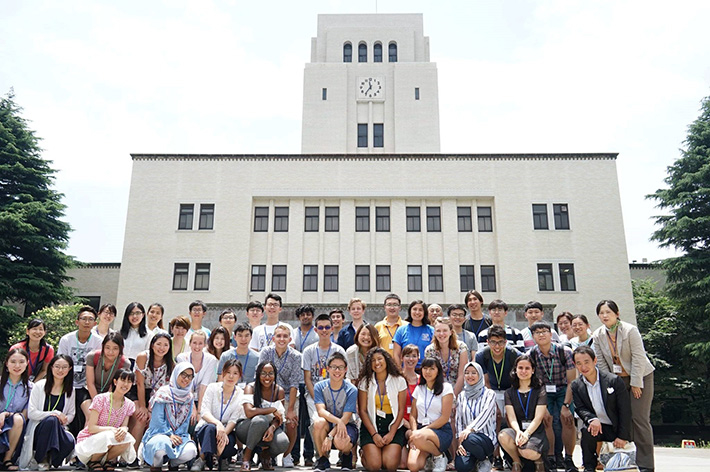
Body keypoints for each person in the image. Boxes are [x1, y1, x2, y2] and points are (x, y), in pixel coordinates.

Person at [592, 300, 655, 472]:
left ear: (617, 314)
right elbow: (602, 364)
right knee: (620, 418)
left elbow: (638, 357)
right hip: (617, 380)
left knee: (639, 419)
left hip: (641, 376)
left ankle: (646, 465)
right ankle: (626, 461)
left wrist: (636, 383)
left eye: (608, 312)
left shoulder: (630, 330)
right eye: (601, 313)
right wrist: (611, 384)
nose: (605, 316)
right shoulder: (597, 335)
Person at [571, 346, 631, 472]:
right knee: (586, 432)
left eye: (586, 362)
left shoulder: (613, 380)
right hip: (597, 427)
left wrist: (622, 436)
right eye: (579, 363)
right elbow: (580, 408)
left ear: (595, 361)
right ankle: (589, 467)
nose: (583, 367)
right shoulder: (576, 385)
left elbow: (624, 410)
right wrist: (592, 419)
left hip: (615, 427)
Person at [528, 322, 577, 472]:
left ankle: (568, 458)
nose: (541, 335)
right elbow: (535, 383)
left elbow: (572, 382)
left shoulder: (565, 352)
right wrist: (542, 407)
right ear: (533, 336)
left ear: (551, 334)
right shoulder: (532, 354)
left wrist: (566, 405)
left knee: (567, 420)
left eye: (544, 331)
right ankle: (551, 459)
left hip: (564, 389)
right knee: (547, 420)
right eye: (537, 332)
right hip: (544, 391)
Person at [474, 324, 521, 470]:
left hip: (510, 391)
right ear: (487, 342)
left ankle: (510, 456)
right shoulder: (482, 356)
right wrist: (493, 404)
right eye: (493, 342)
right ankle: (496, 456)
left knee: (510, 421)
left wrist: (509, 404)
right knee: (494, 422)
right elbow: (485, 382)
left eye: (500, 342)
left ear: (506, 342)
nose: (497, 346)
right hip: (491, 392)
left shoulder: (514, 354)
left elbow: (517, 381)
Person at [19, 354, 75, 470]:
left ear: (69, 369)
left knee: (69, 440)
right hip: (39, 429)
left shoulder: (70, 389)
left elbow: (71, 414)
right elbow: (32, 413)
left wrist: (63, 419)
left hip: (59, 429)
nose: (60, 370)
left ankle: (50, 457)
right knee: (51, 420)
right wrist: (54, 414)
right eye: (57, 366)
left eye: (64, 367)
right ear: (51, 367)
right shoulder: (39, 386)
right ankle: (43, 458)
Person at [74, 369, 138, 471]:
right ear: (115, 381)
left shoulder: (129, 404)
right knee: (109, 435)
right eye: (123, 380)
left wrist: (124, 429)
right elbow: (91, 428)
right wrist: (111, 429)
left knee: (127, 439)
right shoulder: (101, 399)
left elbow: (123, 426)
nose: (126, 384)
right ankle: (93, 461)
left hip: (110, 439)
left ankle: (104, 461)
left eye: (129, 381)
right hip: (90, 440)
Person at [258, 324, 303, 467]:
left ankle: (287, 455)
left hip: (290, 394)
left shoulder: (296, 356)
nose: (282, 339)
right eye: (278, 336)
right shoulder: (266, 352)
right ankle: (266, 456)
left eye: (285, 336)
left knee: (291, 423)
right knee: (267, 423)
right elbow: (260, 376)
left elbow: (295, 383)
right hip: (269, 393)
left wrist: (290, 409)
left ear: (290, 339)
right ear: (273, 338)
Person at [357, 348, 407, 472]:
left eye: (380, 359)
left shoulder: (399, 380)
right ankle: (364, 454)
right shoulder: (365, 382)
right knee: (374, 466)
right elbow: (362, 411)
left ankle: (383, 453)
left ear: (386, 360)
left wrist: (392, 433)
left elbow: (401, 410)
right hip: (371, 424)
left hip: (393, 425)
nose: (377, 363)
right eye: (373, 360)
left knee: (390, 465)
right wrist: (374, 434)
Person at [142, 362, 198, 472]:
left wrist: (177, 436)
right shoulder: (163, 393)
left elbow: (185, 423)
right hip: (159, 433)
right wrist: (169, 435)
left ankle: (173, 463)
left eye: (190, 376)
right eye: (183, 374)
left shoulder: (189, 397)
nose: (186, 379)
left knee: (191, 451)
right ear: (176, 373)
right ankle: (156, 465)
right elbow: (157, 420)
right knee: (161, 445)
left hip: (178, 435)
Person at [57, 306, 103, 437]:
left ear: (95, 323)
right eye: (83, 319)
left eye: (90, 319)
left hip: (86, 386)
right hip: (66, 384)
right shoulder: (66, 339)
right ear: (77, 322)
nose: (87, 322)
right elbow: (60, 362)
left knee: (88, 415)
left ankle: (82, 447)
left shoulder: (98, 341)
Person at [130, 332, 174, 465]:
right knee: (141, 418)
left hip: (157, 396)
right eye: (159, 344)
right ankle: (131, 457)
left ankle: (150, 456)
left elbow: (164, 391)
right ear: (152, 345)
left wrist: (151, 409)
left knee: (155, 421)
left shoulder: (171, 364)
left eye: (166, 345)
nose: (162, 348)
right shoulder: (143, 357)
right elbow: (139, 384)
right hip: (138, 391)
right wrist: (143, 407)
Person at [498, 356, 548, 472]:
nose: (523, 371)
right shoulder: (509, 393)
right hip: (518, 431)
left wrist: (527, 433)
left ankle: (539, 460)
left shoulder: (540, 390)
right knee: (503, 436)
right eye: (520, 368)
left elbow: (538, 417)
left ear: (533, 370)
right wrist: (518, 432)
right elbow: (512, 417)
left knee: (526, 451)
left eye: (527, 368)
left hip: (535, 431)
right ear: (515, 370)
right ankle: (517, 462)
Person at [236, 361, 289, 472]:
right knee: (261, 420)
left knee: (283, 442)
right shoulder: (250, 387)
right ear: (258, 374)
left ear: (275, 375)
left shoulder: (279, 391)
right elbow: (249, 412)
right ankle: (247, 458)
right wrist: (271, 409)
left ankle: (265, 455)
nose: (267, 377)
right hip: (246, 428)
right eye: (263, 373)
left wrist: (272, 428)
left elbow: (278, 417)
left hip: (267, 429)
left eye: (271, 373)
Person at [192, 359, 244, 471]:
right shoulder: (212, 387)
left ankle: (220, 458)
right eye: (228, 372)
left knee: (228, 443)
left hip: (226, 431)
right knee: (210, 428)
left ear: (240, 376)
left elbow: (234, 420)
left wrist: (222, 434)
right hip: (206, 428)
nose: (231, 376)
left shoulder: (240, 393)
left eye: (235, 373)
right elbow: (204, 412)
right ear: (223, 373)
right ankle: (202, 459)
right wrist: (218, 424)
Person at [310, 352, 358, 472]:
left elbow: (346, 419)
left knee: (341, 441)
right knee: (318, 422)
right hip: (330, 422)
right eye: (334, 367)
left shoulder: (351, 389)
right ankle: (323, 459)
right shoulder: (319, 386)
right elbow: (321, 411)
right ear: (328, 369)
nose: (337, 371)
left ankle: (346, 455)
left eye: (341, 367)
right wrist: (338, 421)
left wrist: (330, 436)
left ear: (346, 369)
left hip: (347, 425)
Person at [408, 358, 454, 472]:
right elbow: (413, 415)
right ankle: (430, 456)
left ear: (438, 371)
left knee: (419, 437)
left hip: (440, 430)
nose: (428, 372)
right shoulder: (419, 389)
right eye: (425, 368)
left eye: (432, 369)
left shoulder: (446, 388)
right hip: (420, 431)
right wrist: (414, 431)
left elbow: (445, 417)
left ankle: (439, 456)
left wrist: (422, 431)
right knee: (413, 466)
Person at [454, 362, 497, 472]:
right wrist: (460, 443)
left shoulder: (489, 394)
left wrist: (470, 429)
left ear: (480, 375)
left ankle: (485, 458)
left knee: (470, 438)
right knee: (461, 467)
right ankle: (476, 460)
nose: (470, 376)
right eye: (467, 373)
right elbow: (459, 420)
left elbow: (485, 414)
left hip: (485, 438)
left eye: (474, 373)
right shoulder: (462, 396)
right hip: (466, 440)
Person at [176, 330, 218, 431]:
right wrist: (192, 408)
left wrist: (199, 411)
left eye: (200, 343)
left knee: (200, 420)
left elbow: (204, 385)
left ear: (204, 344)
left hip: (202, 397)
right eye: (194, 343)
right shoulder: (182, 358)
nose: (197, 346)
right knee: (189, 418)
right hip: (185, 395)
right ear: (190, 343)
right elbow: (186, 383)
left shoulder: (211, 359)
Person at [292, 304, 318, 466]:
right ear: (299, 317)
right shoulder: (293, 333)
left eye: (308, 314)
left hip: (311, 382)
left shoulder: (317, 333)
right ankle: (294, 455)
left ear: (312, 316)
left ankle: (309, 454)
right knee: (295, 420)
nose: (305, 317)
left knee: (309, 420)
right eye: (303, 315)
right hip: (295, 381)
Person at [0, 348, 32, 471]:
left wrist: (6, 414)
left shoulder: (31, 388)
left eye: (21, 362)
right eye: (13, 362)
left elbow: (24, 415)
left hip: (14, 425)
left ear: (27, 363)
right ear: (6, 363)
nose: (17, 366)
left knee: (18, 419)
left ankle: (7, 459)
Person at [85, 332, 131, 412]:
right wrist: (97, 402)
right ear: (103, 347)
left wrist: (105, 403)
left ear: (121, 348)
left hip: (111, 395)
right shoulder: (92, 356)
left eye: (115, 348)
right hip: (90, 392)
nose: (110, 352)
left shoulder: (124, 363)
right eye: (107, 348)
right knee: (90, 414)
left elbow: (115, 386)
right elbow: (90, 383)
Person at [425, 317, 468, 395]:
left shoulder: (461, 347)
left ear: (451, 332)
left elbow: (462, 375)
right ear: (434, 332)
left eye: (445, 330)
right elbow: (430, 375)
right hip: (437, 390)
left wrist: (453, 396)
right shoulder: (429, 350)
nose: (441, 334)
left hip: (458, 390)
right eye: (438, 331)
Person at [393, 300, 434, 369]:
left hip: (426, 370)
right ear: (410, 311)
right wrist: (400, 371)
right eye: (414, 309)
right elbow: (396, 354)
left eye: (420, 310)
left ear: (424, 313)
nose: (417, 312)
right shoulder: (401, 330)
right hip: (406, 370)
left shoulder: (431, 331)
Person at [398, 344, 420, 469]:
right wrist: (409, 426)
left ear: (418, 358)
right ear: (402, 358)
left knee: (413, 464)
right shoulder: (397, 378)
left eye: (414, 356)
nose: (410, 359)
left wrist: (414, 428)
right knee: (402, 465)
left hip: (418, 423)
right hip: (401, 423)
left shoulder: (422, 380)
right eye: (407, 356)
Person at [218, 324, 256, 388]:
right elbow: (220, 380)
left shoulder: (257, 357)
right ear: (235, 337)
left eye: (246, 336)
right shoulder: (226, 356)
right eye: (240, 336)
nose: (243, 339)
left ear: (251, 337)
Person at [120, 302, 152, 367]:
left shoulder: (149, 335)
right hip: (120, 366)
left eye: (137, 313)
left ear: (143, 315)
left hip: (138, 368)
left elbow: (148, 356)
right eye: (131, 313)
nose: (134, 316)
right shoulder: (119, 333)